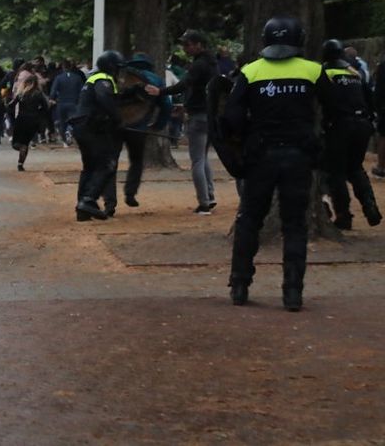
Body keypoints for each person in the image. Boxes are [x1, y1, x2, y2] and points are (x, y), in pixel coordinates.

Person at [223, 17, 333, 312]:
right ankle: (293, 292)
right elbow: (335, 108)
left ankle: (240, 284)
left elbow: (231, 116)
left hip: (260, 157)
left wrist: (243, 136)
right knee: (295, 224)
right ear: (300, 40)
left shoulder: (251, 71)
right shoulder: (312, 70)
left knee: (249, 220)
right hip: (299, 157)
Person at [148, 30, 217, 214]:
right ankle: (210, 196)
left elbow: (184, 84)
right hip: (210, 114)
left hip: (199, 117)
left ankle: (204, 202)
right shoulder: (211, 63)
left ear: (199, 45)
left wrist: (160, 92)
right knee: (203, 158)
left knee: (197, 160)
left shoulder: (198, 65)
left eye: (188, 44)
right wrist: (185, 106)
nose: (185, 48)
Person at [319, 39, 381, 229]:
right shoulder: (355, 73)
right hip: (362, 125)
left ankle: (344, 216)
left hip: (339, 126)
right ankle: (370, 207)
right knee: (355, 168)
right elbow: (370, 101)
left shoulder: (325, 73)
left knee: (336, 172)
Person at [105, 53, 171, 213]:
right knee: (136, 160)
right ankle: (130, 192)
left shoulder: (119, 77)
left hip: (116, 126)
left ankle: (109, 202)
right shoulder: (156, 80)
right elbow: (166, 105)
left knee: (110, 162)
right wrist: (157, 125)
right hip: (139, 127)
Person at [70, 51, 125, 221]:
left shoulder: (92, 78)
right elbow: (104, 98)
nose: (118, 72)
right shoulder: (103, 79)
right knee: (107, 164)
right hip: (91, 128)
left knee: (90, 167)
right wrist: (117, 119)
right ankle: (88, 200)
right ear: (111, 67)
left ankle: (82, 209)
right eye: (117, 68)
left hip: (82, 127)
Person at [10, 73, 48, 171]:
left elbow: (11, 106)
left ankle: (21, 149)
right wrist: (39, 116)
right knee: (25, 142)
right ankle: (20, 164)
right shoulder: (39, 94)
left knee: (15, 143)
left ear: (26, 83)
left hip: (21, 119)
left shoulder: (21, 94)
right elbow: (45, 107)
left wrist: (11, 118)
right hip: (33, 121)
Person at [49, 59, 84, 146]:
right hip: (74, 103)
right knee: (74, 121)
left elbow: (53, 91)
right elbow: (82, 91)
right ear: (71, 67)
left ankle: (65, 141)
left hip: (61, 103)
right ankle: (70, 131)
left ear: (63, 67)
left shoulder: (58, 78)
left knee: (62, 122)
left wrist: (52, 99)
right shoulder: (77, 78)